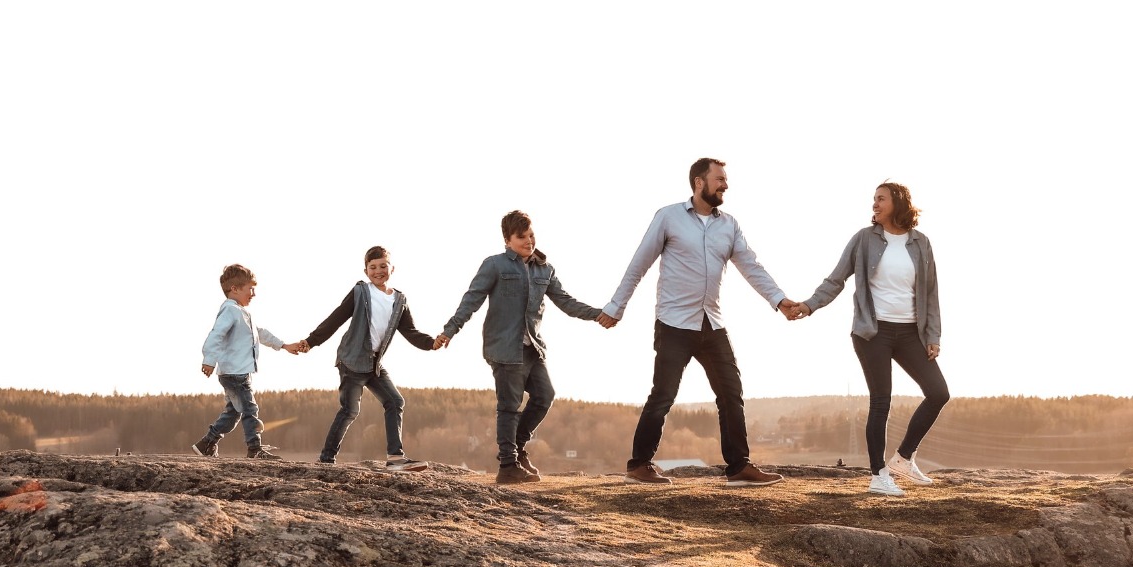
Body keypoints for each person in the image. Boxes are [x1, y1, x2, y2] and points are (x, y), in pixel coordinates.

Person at [599, 158, 801, 486]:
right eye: (719, 179)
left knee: (731, 392)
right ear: (699, 182)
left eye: (725, 180)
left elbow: (751, 266)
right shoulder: (669, 217)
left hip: (712, 323)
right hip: (673, 323)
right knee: (663, 394)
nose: (725, 185)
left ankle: (739, 467)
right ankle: (639, 465)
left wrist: (779, 300)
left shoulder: (729, 225)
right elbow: (639, 265)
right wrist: (616, 307)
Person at [790, 181, 947, 496]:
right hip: (873, 332)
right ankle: (879, 475)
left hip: (911, 333)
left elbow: (931, 292)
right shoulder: (864, 239)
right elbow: (836, 279)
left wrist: (933, 335)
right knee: (881, 401)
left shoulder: (921, 242)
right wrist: (809, 305)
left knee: (938, 393)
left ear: (898, 202)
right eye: (874, 199)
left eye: (881, 199)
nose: (875, 204)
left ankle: (903, 458)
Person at [434, 210, 612, 485]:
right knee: (509, 407)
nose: (529, 241)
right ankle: (508, 466)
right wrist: (450, 330)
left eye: (531, 235)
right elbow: (471, 300)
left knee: (544, 396)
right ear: (507, 240)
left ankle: (516, 449)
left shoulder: (545, 269)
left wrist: (599, 314)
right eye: (522, 237)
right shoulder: (494, 265)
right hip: (505, 347)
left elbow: (566, 302)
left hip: (532, 347)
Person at [288, 246, 437, 468]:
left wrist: (431, 343)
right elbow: (336, 318)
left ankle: (395, 458)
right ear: (366, 271)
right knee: (350, 410)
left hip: (374, 364)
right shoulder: (360, 292)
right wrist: (311, 341)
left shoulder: (399, 300)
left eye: (383, 266)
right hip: (351, 361)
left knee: (395, 401)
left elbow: (411, 332)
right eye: (373, 267)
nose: (378, 271)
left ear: (392, 268)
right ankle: (326, 459)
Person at [194, 263, 298, 459]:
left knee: (233, 413)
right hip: (236, 373)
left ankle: (207, 443)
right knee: (250, 409)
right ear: (234, 289)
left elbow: (260, 333)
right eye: (250, 289)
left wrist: (283, 345)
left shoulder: (242, 313)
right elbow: (216, 334)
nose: (254, 294)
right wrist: (209, 359)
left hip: (236, 372)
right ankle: (254, 448)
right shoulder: (230, 311)